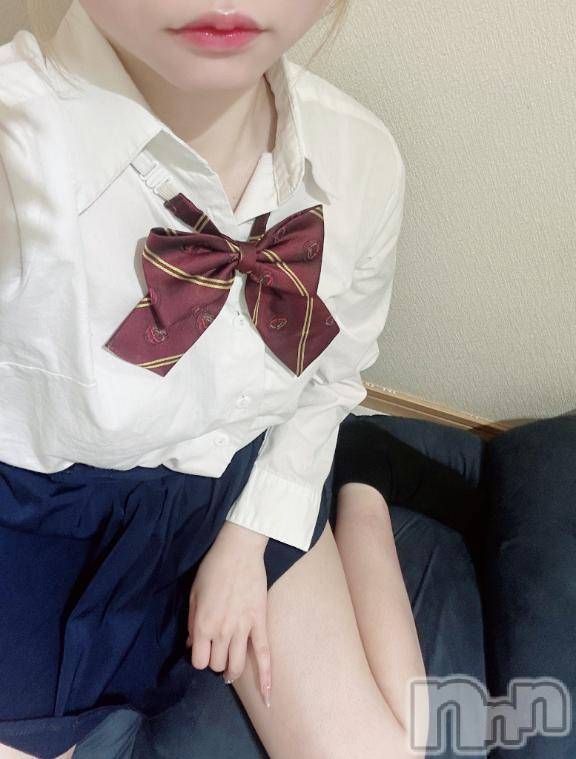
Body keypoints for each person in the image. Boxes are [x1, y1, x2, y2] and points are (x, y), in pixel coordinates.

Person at [0, 1, 485, 757]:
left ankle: (362, 493)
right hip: (41, 529)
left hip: (236, 483)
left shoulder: (358, 159)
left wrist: (250, 536)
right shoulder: (17, 144)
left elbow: (335, 372)